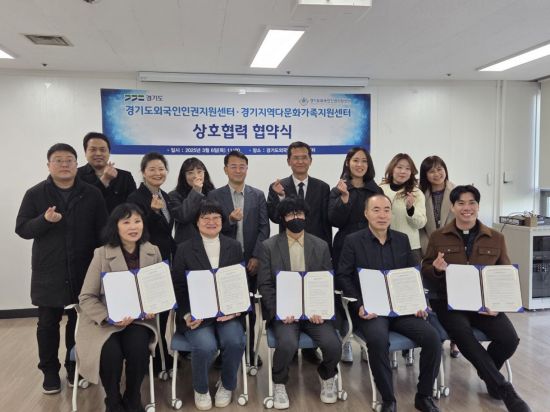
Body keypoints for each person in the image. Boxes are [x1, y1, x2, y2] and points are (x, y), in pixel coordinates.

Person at [422, 185, 531, 412]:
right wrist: (437, 269)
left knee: (509, 339)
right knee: (463, 334)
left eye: (471, 203)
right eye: (460, 203)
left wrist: (498, 306)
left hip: (484, 303)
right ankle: (505, 389)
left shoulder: (496, 237)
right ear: (453, 207)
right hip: (449, 302)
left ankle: (488, 374)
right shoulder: (438, 237)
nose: (467, 208)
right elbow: (426, 270)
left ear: (478, 206)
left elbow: (505, 275)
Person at [15, 143, 108, 394]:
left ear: (77, 164)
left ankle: (74, 366)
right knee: (47, 323)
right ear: (49, 165)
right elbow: (22, 228)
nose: (64, 164)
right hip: (49, 270)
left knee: (79, 323)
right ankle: (49, 371)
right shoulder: (35, 194)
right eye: (58, 160)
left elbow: (103, 230)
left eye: (69, 160)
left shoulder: (92, 194)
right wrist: (44, 220)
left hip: (83, 269)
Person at [337, 194, 441, 412]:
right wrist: (359, 306)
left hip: (402, 310)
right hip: (372, 310)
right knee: (377, 340)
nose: (382, 215)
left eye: (386, 210)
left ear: (391, 214)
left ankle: (424, 396)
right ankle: (388, 399)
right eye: (376, 210)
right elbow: (343, 277)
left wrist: (419, 303)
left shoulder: (402, 239)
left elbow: (413, 275)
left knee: (433, 337)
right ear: (366, 213)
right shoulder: (353, 241)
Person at [258, 197, 342, 409]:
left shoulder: (321, 245)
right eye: (290, 214)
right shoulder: (268, 246)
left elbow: (325, 282)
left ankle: (327, 375)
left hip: (314, 313)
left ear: (306, 216)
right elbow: (265, 284)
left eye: (299, 213)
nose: (296, 218)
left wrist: (321, 310)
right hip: (285, 313)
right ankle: (279, 382)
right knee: (287, 344)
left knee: (333, 345)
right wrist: (278, 312)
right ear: (282, 218)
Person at [77, 203, 161, 412]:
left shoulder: (153, 251)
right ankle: (112, 400)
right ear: (115, 226)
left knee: (138, 349)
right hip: (105, 321)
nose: (133, 226)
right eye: (126, 222)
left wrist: (154, 306)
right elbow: (86, 297)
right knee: (110, 353)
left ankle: (132, 397)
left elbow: (159, 291)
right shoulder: (101, 254)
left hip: (139, 320)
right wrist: (109, 316)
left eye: (137, 221)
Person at [172, 200, 246, 410]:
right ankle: (201, 389)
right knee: (205, 346)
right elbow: (178, 286)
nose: (211, 222)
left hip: (227, 313)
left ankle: (227, 384)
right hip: (197, 315)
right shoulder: (184, 249)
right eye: (205, 218)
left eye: (216, 218)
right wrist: (186, 314)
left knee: (235, 340)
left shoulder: (234, 246)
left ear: (222, 221)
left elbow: (240, 282)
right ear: (197, 222)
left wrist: (235, 311)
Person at [208, 150, 270, 366]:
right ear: (225, 169)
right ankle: (225, 353)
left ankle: (250, 351)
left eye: (242, 166)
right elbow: (210, 227)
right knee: (224, 308)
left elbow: (264, 228)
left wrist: (257, 256)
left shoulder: (258, 195)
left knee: (249, 309)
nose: (238, 170)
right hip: (224, 262)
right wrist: (229, 220)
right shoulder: (215, 196)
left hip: (251, 261)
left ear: (247, 169)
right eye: (233, 166)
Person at [328, 146, 382, 362]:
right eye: (355, 160)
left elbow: (381, 219)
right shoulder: (339, 188)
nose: (360, 165)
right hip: (344, 245)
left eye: (364, 161)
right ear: (348, 163)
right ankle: (346, 340)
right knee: (344, 291)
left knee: (368, 289)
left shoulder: (375, 190)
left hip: (370, 244)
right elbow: (334, 220)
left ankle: (370, 340)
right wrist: (344, 199)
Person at [127, 152, 175, 373]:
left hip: (164, 260)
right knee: (149, 310)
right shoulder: (135, 198)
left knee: (162, 309)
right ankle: (153, 357)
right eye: (152, 169)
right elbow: (133, 230)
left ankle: (160, 351)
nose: (158, 173)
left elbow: (166, 230)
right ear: (143, 172)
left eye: (161, 169)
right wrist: (152, 212)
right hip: (145, 262)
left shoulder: (165, 195)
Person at [418, 155, 459, 358]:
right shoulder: (420, 194)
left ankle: (456, 340)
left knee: (455, 295)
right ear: (425, 175)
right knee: (434, 295)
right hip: (429, 249)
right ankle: (438, 335)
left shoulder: (456, 192)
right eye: (432, 171)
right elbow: (420, 227)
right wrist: (431, 249)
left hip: (454, 249)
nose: (437, 174)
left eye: (440, 169)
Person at [267, 141, 332, 248]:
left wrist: (328, 248)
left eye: (304, 157)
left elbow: (326, 222)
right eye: (296, 158)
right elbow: (275, 218)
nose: (300, 161)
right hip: (287, 245)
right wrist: (281, 197)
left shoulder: (323, 187)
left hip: (316, 246)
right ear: (288, 161)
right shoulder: (277, 187)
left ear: (310, 161)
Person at [379, 153, 427, 264]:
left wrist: (410, 209)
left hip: (410, 247)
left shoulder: (416, 193)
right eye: (399, 167)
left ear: (411, 172)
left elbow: (421, 223)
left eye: (407, 169)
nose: (403, 171)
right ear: (392, 169)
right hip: (383, 245)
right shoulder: (380, 189)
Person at [77, 132, 137, 213]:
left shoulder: (125, 177)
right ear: (85, 152)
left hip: (118, 221)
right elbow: (82, 204)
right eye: (93, 150)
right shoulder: (76, 175)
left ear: (109, 152)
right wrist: (105, 180)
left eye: (102, 150)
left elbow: (133, 207)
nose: (98, 153)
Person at [169, 157, 215, 244]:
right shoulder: (174, 196)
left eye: (199, 172)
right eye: (190, 173)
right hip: (185, 246)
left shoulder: (213, 193)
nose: (196, 176)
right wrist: (196, 192)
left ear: (205, 174)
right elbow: (184, 216)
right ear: (184, 176)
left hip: (211, 243)